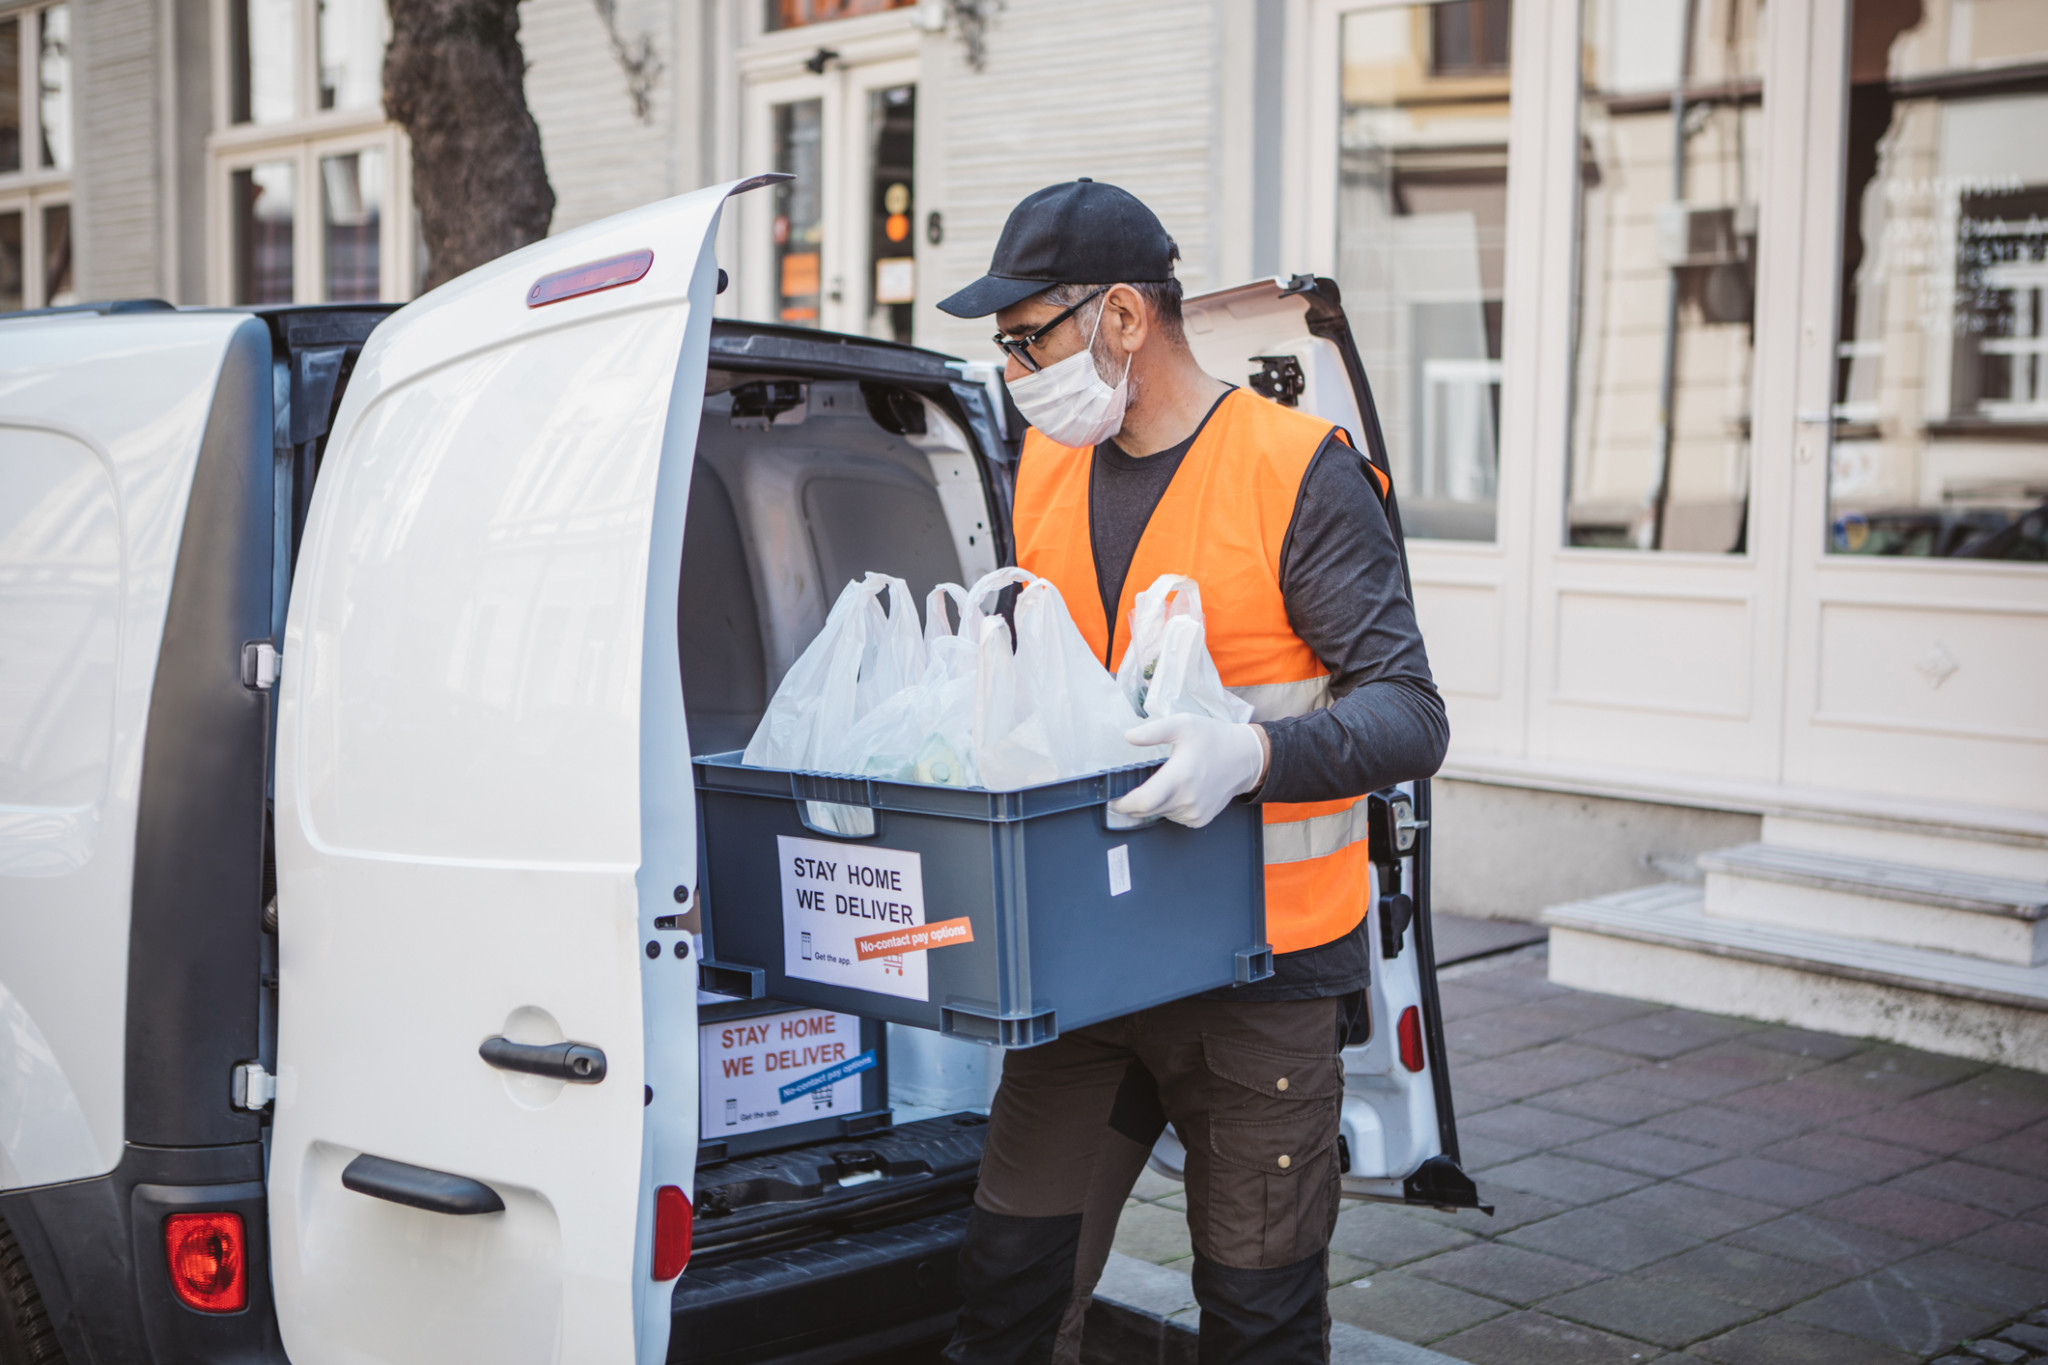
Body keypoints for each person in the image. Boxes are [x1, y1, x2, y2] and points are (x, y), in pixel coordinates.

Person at [933, 179, 1449, 1365]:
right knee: (1004, 1296)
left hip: (1258, 979)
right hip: (1087, 965)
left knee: (1256, 1325)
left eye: (1027, 337)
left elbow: (1410, 716)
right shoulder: (1046, 466)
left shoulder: (1294, 471)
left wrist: (1251, 753)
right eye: (1004, 348)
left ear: (1120, 316)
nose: (1015, 369)